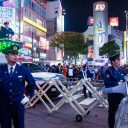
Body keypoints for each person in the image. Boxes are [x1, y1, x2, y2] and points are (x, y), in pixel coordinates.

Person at [0, 45, 36, 128]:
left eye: (17, 54)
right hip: (4, 106)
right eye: (13, 54)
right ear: (6, 56)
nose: (16, 56)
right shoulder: (1, 69)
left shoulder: (23, 69)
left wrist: (27, 96)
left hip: (18, 105)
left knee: (19, 126)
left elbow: (32, 84)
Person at [104, 54, 125, 128]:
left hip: (121, 95)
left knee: (122, 111)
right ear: (113, 62)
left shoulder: (121, 70)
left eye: (119, 60)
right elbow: (107, 83)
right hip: (113, 95)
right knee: (112, 112)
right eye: (118, 60)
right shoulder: (109, 71)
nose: (119, 61)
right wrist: (118, 83)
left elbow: (124, 80)